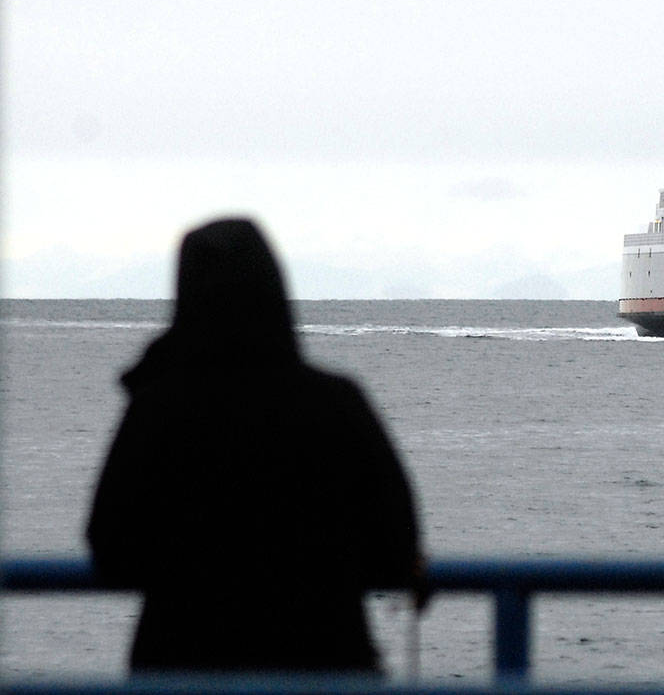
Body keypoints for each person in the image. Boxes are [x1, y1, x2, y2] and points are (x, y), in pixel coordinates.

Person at [87, 217, 425, 673]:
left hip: (182, 670)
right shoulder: (337, 402)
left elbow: (111, 550)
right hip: (325, 667)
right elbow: (394, 549)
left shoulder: (158, 408)